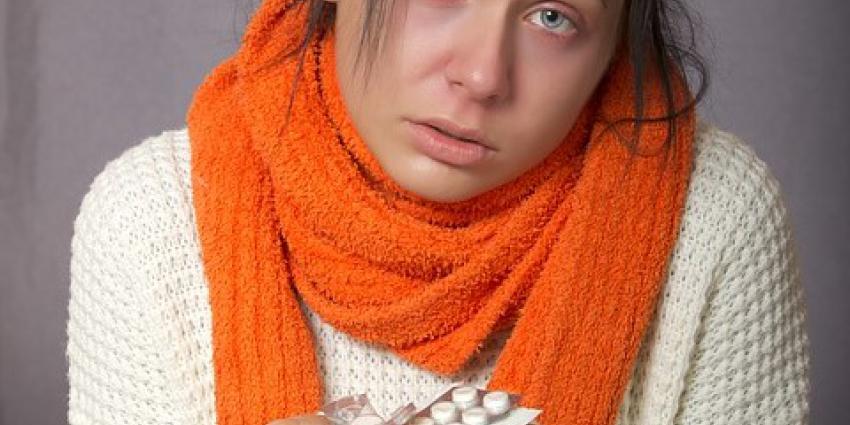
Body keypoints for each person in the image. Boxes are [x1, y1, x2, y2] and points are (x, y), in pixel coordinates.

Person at [65, 0, 812, 424]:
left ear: (615, 47)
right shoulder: (151, 220)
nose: (483, 75)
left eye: (553, 16)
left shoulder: (715, 217)